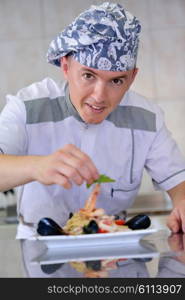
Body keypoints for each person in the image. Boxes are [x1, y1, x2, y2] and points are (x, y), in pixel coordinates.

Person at [0, 2, 185, 238]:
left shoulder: (147, 118)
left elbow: (179, 181)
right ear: (65, 66)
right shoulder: (26, 107)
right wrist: (36, 166)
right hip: (42, 250)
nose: (99, 96)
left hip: (113, 248)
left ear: (131, 78)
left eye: (116, 81)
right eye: (88, 75)